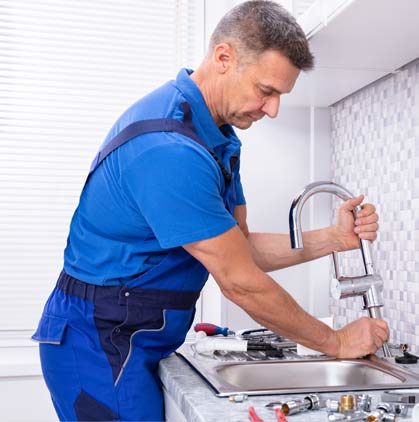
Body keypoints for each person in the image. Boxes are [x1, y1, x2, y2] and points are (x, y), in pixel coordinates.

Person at [32, 1, 389, 421]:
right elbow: (240, 281)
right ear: (224, 58)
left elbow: (241, 249)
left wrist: (333, 239)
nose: (272, 109)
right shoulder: (169, 149)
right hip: (99, 341)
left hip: (133, 335)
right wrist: (337, 342)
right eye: (266, 90)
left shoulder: (216, 136)